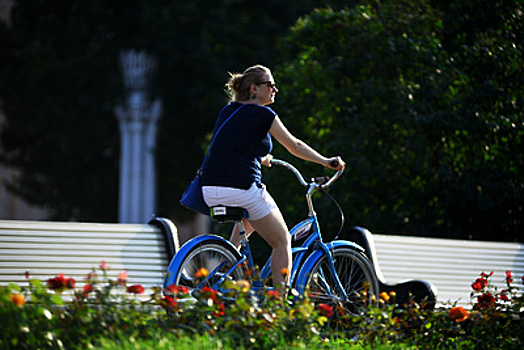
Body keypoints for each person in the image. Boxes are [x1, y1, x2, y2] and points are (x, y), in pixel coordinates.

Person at [201, 65, 345, 288]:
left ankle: (225, 263)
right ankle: (278, 305)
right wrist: (326, 161)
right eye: (270, 85)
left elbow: (231, 147)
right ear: (254, 89)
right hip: (241, 187)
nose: (275, 89)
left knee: (251, 217)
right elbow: (294, 146)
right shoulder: (264, 114)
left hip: (210, 188)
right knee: (282, 241)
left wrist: (260, 157)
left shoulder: (228, 111)